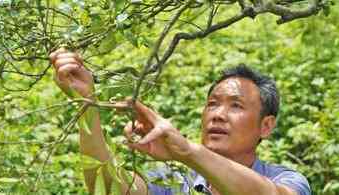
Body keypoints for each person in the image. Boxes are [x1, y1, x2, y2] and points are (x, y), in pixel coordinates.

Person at [49, 48, 311, 195]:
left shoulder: (287, 180)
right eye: (212, 103)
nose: (218, 114)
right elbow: (109, 188)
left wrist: (185, 151)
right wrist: (86, 104)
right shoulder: (173, 180)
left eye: (236, 105)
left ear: (266, 126)